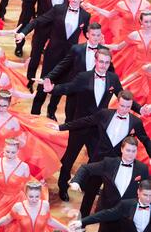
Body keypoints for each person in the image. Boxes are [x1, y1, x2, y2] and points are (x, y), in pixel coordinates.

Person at [43, 49, 145, 202]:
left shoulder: (113, 78)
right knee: (70, 158)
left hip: (100, 128)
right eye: (101, 61)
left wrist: (140, 109)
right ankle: (62, 186)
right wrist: (53, 89)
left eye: (106, 62)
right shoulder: (83, 77)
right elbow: (68, 87)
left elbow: (122, 95)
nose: (103, 65)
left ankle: (87, 185)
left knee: (96, 161)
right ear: (96, 61)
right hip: (80, 125)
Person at [49, 90, 151, 218]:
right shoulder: (105, 114)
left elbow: (145, 140)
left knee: (117, 196)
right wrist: (61, 127)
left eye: (128, 107)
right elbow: (85, 121)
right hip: (99, 160)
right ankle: (82, 222)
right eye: (122, 105)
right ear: (117, 103)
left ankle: (115, 229)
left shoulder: (135, 122)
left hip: (118, 164)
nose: (124, 109)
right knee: (90, 193)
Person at [15, 0, 91, 120]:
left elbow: (86, 33)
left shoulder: (85, 15)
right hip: (52, 54)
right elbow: (38, 21)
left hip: (69, 58)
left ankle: (51, 111)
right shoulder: (58, 9)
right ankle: (35, 112)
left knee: (60, 85)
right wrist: (23, 33)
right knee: (44, 81)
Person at [69, 136, 149, 232]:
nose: (130, 154)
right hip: (108, 211)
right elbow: (86, 168)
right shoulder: (109, 163)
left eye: (133, 151)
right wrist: (76, 181)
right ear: (122, 149)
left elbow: (147, 188)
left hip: (129, 217)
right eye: (128, 150)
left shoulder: (142, 168)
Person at [12, 0, 74, 88]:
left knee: (55, 56)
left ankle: (50, 82)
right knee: (35, 53)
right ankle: (30, 79)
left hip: (59, 27)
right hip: (42, 24)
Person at [43, 23, 111, 122]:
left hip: (94, 91)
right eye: (93, 35)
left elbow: (110, 71)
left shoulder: (105, 51)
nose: (96, 38)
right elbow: (63, 65)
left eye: (98, 35)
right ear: (87, 34)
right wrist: (47, 77)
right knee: (70, 118)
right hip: (76, 89)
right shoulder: (76, 49)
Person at [69, 179, 151, 232]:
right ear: (138, 192)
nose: (148, 199)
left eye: (150, 196)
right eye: (145, 195)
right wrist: (82, 222)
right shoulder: (127, 205)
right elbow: (106, 214)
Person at [0, 181, 73, 232]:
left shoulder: (45, 205)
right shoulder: (18, 207)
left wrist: (66, 229)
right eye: (31, 196)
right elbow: (7, 219)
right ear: (25, 194)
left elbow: (50, 220)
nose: (34, 200)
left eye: (37, 196)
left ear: (40, 194)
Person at [83, 0, 151, 44]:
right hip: (126, 36)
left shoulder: (146, 4)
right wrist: (92, 7)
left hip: (142, 37)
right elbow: (109, 15)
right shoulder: (121, 5)